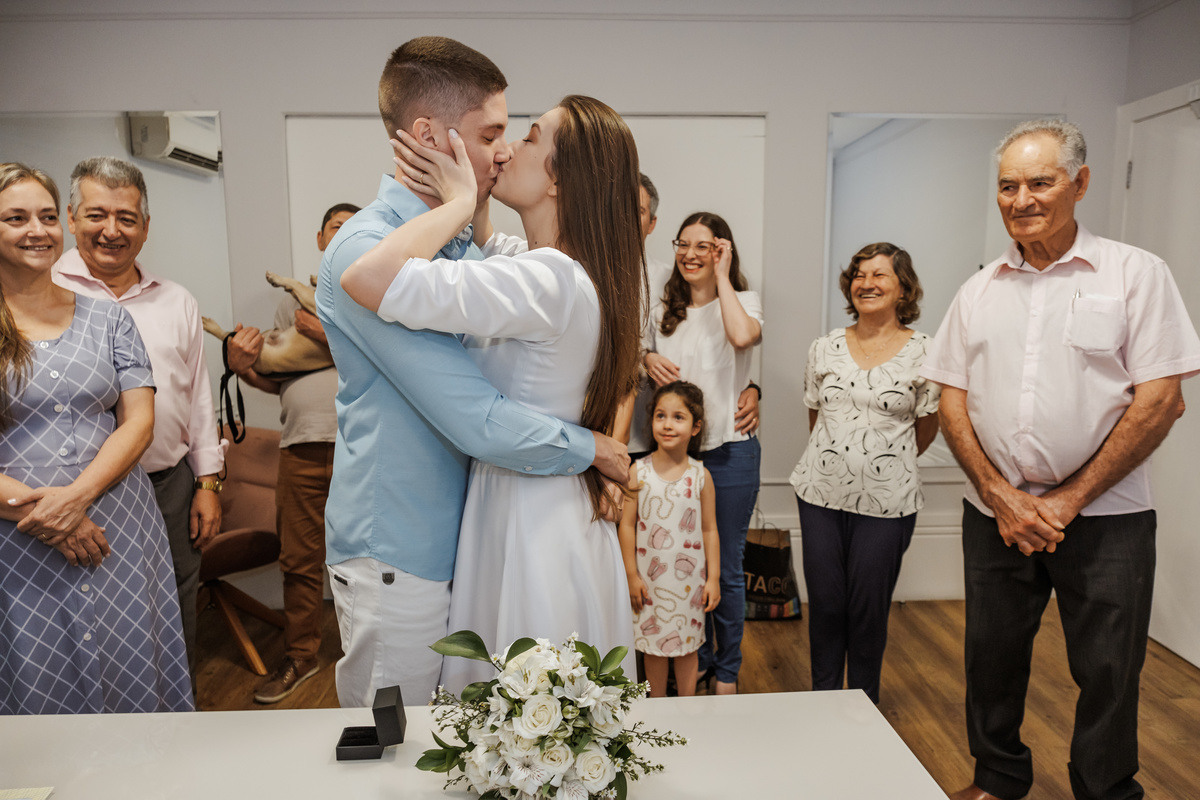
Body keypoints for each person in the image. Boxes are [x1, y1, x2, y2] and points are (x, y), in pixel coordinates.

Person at [316, 38, 631, 708]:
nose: (503, 150)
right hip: (401, 545)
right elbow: (474, 417)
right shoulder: (368, 247)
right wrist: (590, 450)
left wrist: (466, 211)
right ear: (429, 135)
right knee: (396, 746)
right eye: (493, 133)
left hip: (493, 525)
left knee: (508, 722)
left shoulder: (508, 261)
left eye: (517, 136)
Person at [921, 120, 1200, 800]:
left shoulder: (1136, 275)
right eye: (1008, 186)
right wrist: (999, 495)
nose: (1021, 199)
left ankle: (1104, 790)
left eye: (1039, 182)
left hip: (1108, 517)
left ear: (1080, 182)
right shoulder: (979, 288)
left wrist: (1064, 501)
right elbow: (951, 399)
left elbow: (1161, 401)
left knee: (1108, 667)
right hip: (996, 516)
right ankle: (997, 779)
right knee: (991, 658)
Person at [0, 162, 193, 713]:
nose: (35, 230)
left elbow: (139, 422)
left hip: (119, 527)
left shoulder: (108, 320)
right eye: (15, 218)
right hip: (17, 539)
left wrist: (78, 499)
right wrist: (46, 514)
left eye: (42, 216)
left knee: (134, 664)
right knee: (40, 680)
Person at [52, 157, 224, 690]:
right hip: (75, 488)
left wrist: (208, 481)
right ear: (71, 217)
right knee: (88, 602)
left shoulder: (177, 300)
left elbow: (196, 394)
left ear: (146, 228)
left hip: (167, 482)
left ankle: (176, 711)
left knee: (175, 593)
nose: (111, 230)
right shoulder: (45, 291)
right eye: (96, 214)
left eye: (126, 218)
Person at [788, 242, 939, 705]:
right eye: (859, 274)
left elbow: (927, 425)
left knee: (867, 612)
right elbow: (817, 418)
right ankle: (823, 705)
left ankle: (862, 711)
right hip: (819, 495)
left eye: (879, 276)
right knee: (827, 607)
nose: (866, 283)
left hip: (887, 502)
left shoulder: (925, 352)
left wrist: (882, 463)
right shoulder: (824, 347)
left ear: (903, 288)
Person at [225, 202, 359, 703]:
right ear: (322, 240)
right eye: (336, 228)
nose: (344, 235)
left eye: (355, 228)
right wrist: (242, 367)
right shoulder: (294, 301)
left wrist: (329, 333)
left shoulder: (378, 293)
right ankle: (301, 657)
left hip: (362, 451)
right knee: (299, 560)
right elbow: (275, 372)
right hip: (301, 446)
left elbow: (395, 364)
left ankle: (372, 657)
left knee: (369, 562)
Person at [643, 211, 762, 695]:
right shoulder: (661, 305)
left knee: (725, 569)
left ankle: (727, 671)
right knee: (675, 563)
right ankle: (696, 660)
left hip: (730, 454)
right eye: (683, 244)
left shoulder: (744, 301)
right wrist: (645, 355)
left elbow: (741, 337)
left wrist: (722, 278)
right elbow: (633, 354)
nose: (691, 254)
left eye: (706, 246)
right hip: (672, 457)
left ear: (723, 251)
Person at [615, 175, 760, 460]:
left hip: (659, 438)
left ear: (652, 223)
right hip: (605, 434)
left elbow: (722, 347)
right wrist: (645, 358)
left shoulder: (665, 282)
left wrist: (751, 387)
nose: (625, 218)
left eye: (638, 211)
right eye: (619, 208)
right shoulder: (578, 274)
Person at [619, 380, 720, 698]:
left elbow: (709, 529)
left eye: (679, 417)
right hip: (650, 583)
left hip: (689, 583)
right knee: (653, 647)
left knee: (687, 648)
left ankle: (686, 711)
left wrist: (714, 578)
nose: (667, 424)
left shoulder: (700, 476)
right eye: (661, 415)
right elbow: (627, 526)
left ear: (695, 426)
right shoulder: (639, 472)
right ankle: (656, 706)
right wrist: (631, 574)